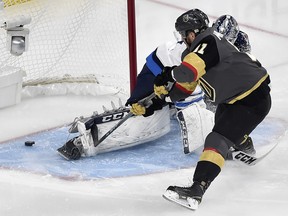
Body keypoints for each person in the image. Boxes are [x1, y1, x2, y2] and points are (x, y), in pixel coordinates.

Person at [151, 8, 271, 208]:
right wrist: (161, 98)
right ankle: (244, 145)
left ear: (192, 33)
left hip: (251, 98)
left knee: (217, 138)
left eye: (183, 34)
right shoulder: (199, 50)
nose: (182, 39)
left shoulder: (207, 41)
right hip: (241, 99)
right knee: (223, 120)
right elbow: (183, 90)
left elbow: (186, 73)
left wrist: (169, 74)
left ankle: (197, 189)